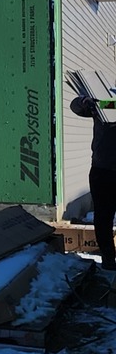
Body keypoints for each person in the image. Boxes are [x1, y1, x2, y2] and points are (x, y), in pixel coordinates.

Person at [70, 91, 116, 271]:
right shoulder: (106, 101)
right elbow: (76, 107)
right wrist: (84, 102)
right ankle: (108, 258)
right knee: (103, 217)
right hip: (102, 170)